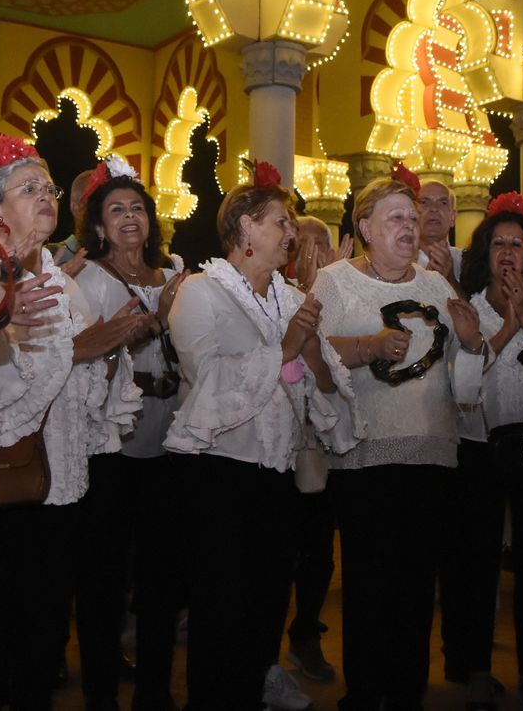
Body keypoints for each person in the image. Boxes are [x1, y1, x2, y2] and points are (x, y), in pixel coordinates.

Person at [0, 134, 145, 711]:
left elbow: (87, 401)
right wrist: (77, 351)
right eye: (28, 188)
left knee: (39, 644)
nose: (45, 196)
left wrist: (108, 355)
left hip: (56, 487)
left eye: (49, 188)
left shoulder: (65, 285)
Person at [164, 160, 357, 711]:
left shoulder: (294, 301)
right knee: (219, 610)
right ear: (245, 226)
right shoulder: (201, 292)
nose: (291, 233)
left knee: (266, 605)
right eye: (282, 222)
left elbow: (323, 396)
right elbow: (208, 383)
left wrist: (315, 357)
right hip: (216, 473)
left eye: (291, 224)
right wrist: (287, 349)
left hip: (277, 475)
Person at [312, 166, 486, 711]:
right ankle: (364, 693)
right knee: (368, 584)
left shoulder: (436, 285)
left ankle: (408, 692)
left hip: (432, 453)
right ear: (364, 227)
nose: (410, 227)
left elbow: (467, 386)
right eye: (396, 218)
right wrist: (368, 344)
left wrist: (473, 342)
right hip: (365, 456)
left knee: (416, 586)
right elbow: (310, 355)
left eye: (413, 218)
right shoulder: (336, 281)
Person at [70, 156, 187, 711]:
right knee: (103, 579)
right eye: (115, 210)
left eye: (137, 207)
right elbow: (84, 353)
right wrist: (152, 322)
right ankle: (98, 695)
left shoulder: (174, 276)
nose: (129, 217)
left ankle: (155, 691)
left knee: (163, 579)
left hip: (169, 444)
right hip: (109, 448)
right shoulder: (86, 279)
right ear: (97, 226)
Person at [439, 192, 523, 711]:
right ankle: (475, 669)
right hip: (475, 448)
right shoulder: (462, 311)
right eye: (498, 244)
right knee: (476, 563)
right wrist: (506, 321)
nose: (507, 252)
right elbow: (462, 380)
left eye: (516, 244)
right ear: (484, 253)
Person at [283, 214, 346, 686]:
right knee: (277, 553)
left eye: (320, 242)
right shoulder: (270, 291)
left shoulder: (339, 291)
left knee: (319, 552)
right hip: (274, 444)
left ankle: (305, 631)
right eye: (301, 240)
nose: (310, 250)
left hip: (323, 443)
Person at [417, 178, 463, 292]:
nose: (434, 209)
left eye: (443, 203)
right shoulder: (398, 262)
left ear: (452, 217)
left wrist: (451, 279)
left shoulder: (467, 262)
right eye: (424, 202)